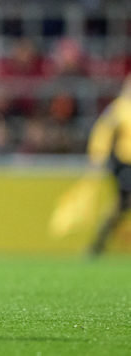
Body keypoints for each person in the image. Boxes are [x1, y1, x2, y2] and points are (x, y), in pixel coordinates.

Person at [86, 75, 131, 256]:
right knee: (124, 202)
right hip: (125, 163)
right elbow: (103, 131)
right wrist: (98, 155)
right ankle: (99, 242)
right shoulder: (120, 108)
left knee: (122, 206)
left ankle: (99, 242)